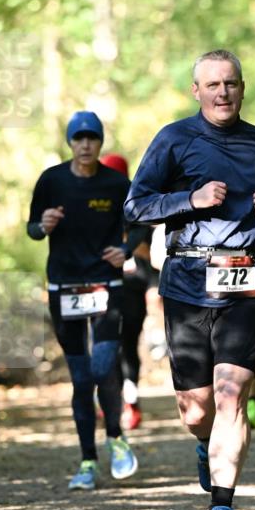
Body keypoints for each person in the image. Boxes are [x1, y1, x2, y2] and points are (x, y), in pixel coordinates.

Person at [124, 49, 255, 510]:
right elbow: (136, 205)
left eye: (232, 84)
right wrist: (189, 200)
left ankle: (222, 508)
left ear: (243, 88)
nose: (223, 92)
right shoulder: (174, 139)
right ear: (196, 91)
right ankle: (205, 445)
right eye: (213, 85)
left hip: (245, 280)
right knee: (197, 411)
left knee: (230, 396)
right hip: (187, 281)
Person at [27, 112, 146, 490]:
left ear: (100, 142)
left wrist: (126, 249)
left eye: (92, 138)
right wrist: (42, 225)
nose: (85, 144)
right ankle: (87, 461)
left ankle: (115, 436)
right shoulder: (51, 180)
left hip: (105, 285)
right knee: (81, 378)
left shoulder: (115, 183)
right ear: (70, 142)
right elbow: (32, 227)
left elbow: (142, 220)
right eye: (78, 138)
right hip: (64, 286)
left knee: (102, 366)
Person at [100, 153, 153, 431]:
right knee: (105, 346)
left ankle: (131, 402)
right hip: (100, 287)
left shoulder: (138, 209)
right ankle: (111, 399)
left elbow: (147, 253)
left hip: (132, 287)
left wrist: (122, 243)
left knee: (127, 346)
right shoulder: (93, 207)